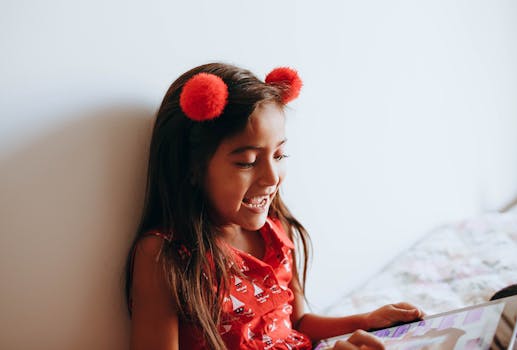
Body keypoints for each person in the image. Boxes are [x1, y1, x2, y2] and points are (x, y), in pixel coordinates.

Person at [125, 62, 423, 350]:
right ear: (191, 167)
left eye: (279, 156)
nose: (271, 178)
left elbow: (297, 323)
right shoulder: (164, 256)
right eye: (248, 162)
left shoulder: (276, 231)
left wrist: (367, 320)